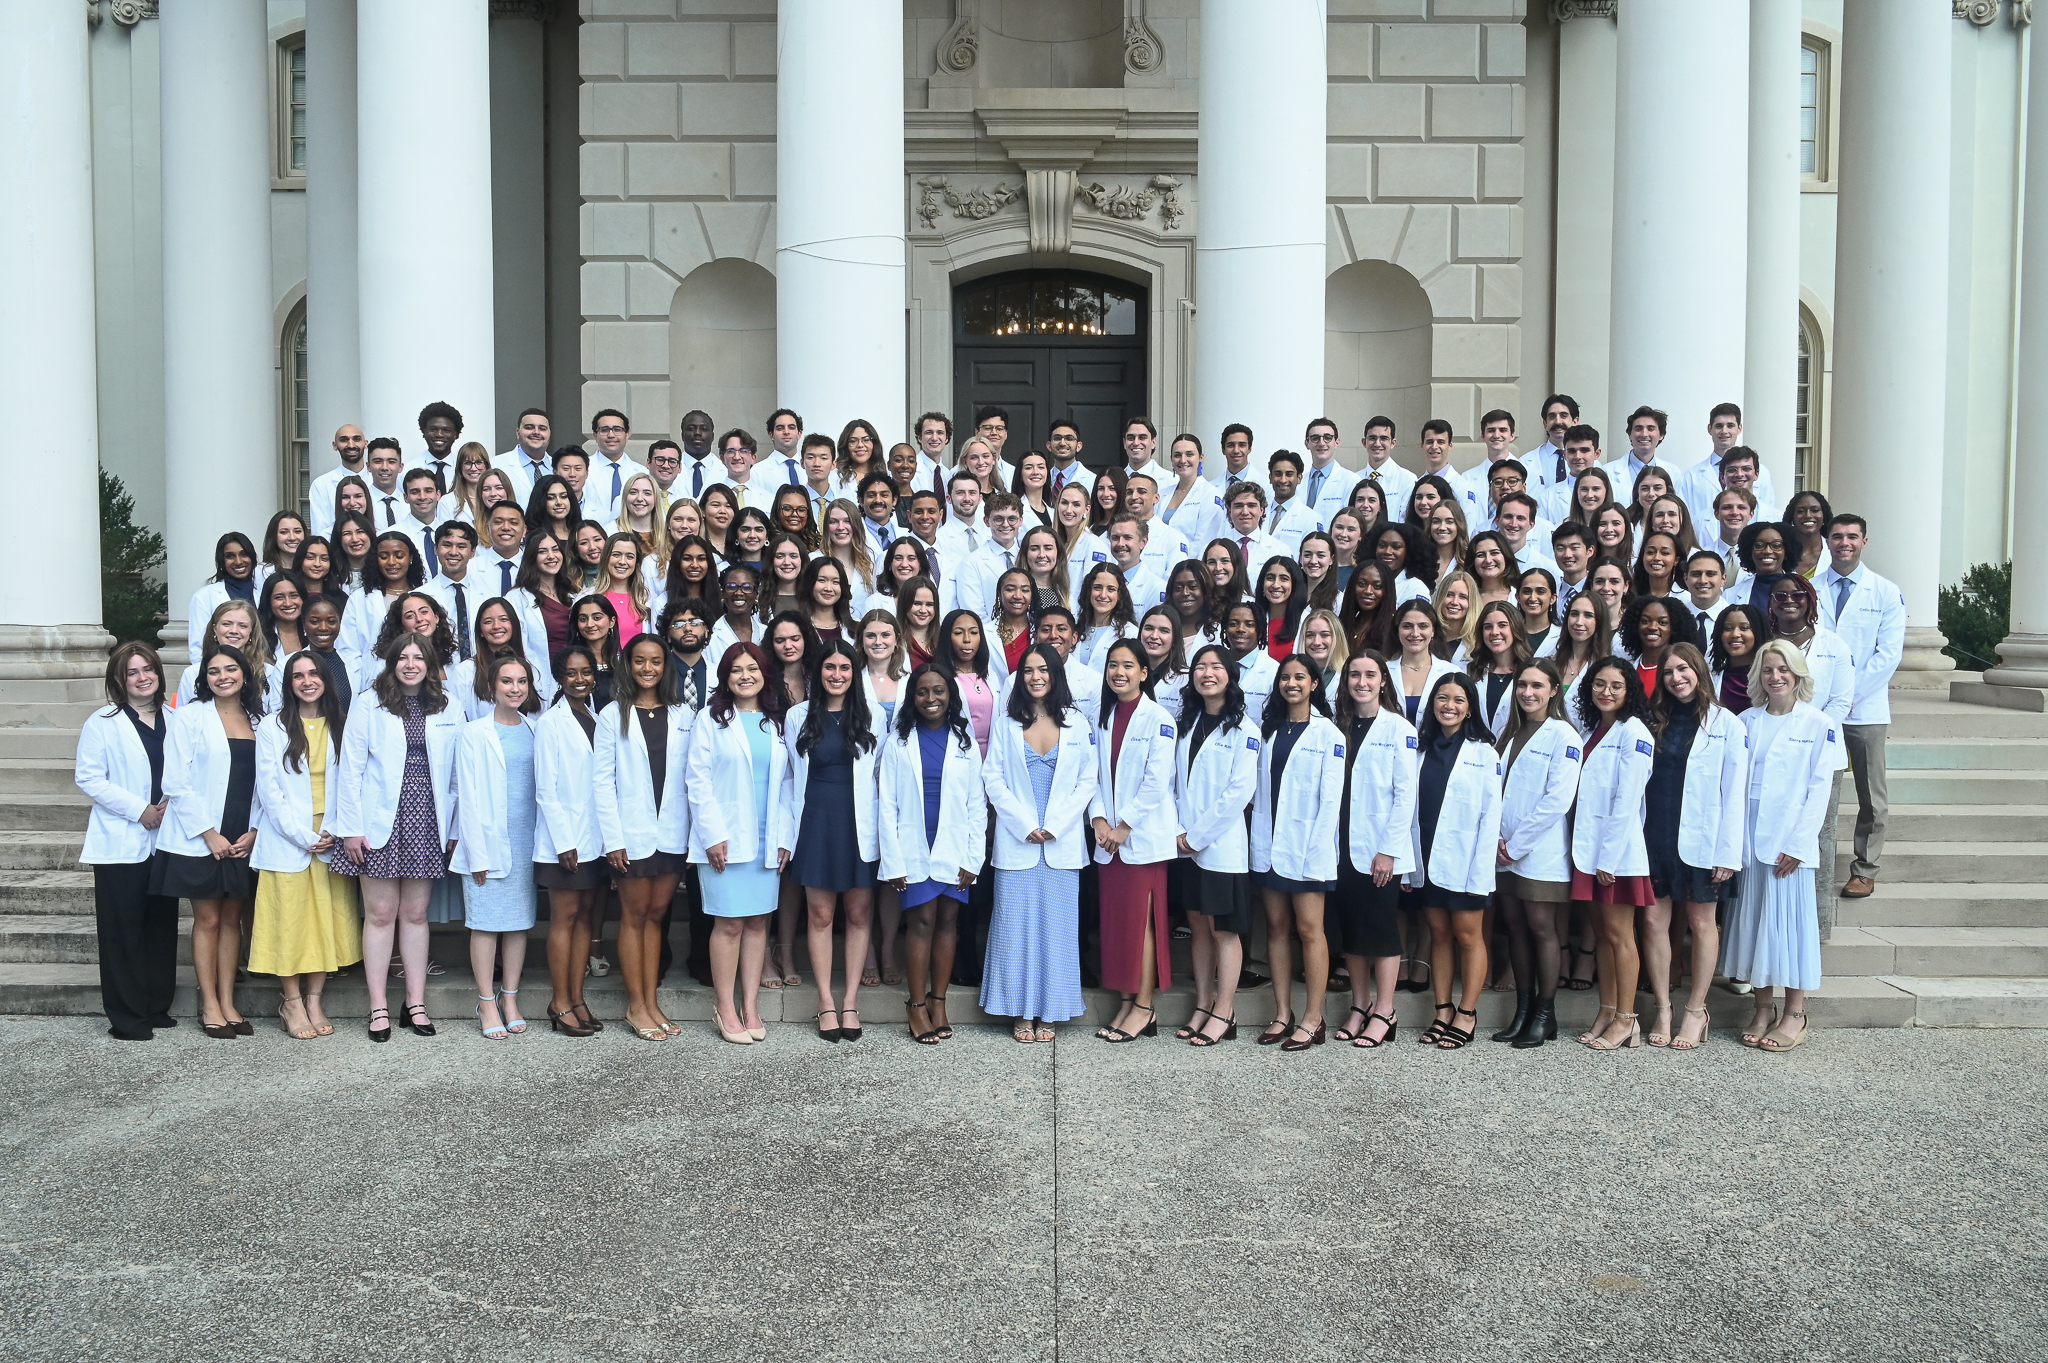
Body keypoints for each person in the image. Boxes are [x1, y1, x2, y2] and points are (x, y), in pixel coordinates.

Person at [331, 632, 464, 1041]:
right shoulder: (369, 703)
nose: (410, 664)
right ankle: (377, 1006)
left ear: (429, 664)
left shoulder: (449, 705)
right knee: (381, 914)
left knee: (416, 914)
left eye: (418, 657)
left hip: (427, 819)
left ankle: (416, 1003)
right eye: (402, 657)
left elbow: (458, 776)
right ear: (391, 663)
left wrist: (456, 829)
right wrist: (350, 829)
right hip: (377, 822)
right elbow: (349, 768)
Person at [1724, 640, 1844, 1053]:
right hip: (1749, 833)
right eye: (1768, 670)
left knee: (1788, 927)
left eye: (1784, 670)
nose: (1776, 677)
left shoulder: (1818, 723)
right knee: (1756, 923)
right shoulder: (1746, 720)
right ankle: (1762, 1008)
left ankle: (1794, 1012)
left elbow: (1819, 789)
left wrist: (1799, 843)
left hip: (1789, 839)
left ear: (1798, 675)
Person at [981, 643, 1094, 1040]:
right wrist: (1024, 823)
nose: (1036, 677)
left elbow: (1088, 780)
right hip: (1019, 841)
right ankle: (1020, 1010)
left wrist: (1057, 825)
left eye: (1043, 669)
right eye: (1028, 670)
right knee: (1014, 928)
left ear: (1056, 674)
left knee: (1057, 930)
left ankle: (1051, 1010)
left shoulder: (1078, 723)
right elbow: (992, 776)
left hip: (1060, 843)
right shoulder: (1006, 723)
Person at [249, 651, 361, 1040]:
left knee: (324, 922)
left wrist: (332, 830)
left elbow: (349, 783)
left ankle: (315, 998)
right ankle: (291, 1002)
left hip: (330, 837)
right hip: (289, 838)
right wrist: (304, 836)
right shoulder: (271, 727)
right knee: (290, 923)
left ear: (326, 680)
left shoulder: (342, 724)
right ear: (289, 684)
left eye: (314, 673)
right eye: (298, 675)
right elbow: (269, 791)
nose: (307, 680)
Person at [156, 644, 264, 1039]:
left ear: (244, 674)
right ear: (205, 677)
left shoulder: (259, 718)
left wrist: (255, 831)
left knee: (233, 919)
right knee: (209, 918)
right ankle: (209, 1003)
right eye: (214, 671)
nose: (223, 677)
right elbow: (175, 782)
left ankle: (228, 1000)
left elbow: (266, 783)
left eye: (231, 669)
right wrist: (209, 833)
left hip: (243, 833)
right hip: (202, 833)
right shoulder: (189, 717)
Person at [687, 641, 794, 1044]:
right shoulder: (710, 719)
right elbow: (696, 780)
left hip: (767, 839)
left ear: (765, 673)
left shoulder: (776, 721)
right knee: (729, 923)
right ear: (725, 678)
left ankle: (750, 1005)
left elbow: (787, 784)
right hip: (726, 840)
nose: (745, 675)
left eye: (752, 668)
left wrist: (785, 836)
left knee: (757, 922)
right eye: (736, 670)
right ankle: (725, 1007)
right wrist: (712, 834)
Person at [1642, 643, 1747, 1050]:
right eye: (1668, 673)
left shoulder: (1727, 724)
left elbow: (1733, 792)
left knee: (1703, 922)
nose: (1676, 678)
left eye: (1683, 669)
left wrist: (1727, 853)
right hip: (1655, 835)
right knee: (1653, 922)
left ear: (1699, 671)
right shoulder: (1653, 721)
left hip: (1703, 838)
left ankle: (1696, 1010)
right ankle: (1664, 1008)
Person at [590, 635, 695, 1041]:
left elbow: (692, 777)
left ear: (665, 667)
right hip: (630, 833)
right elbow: (602, 783)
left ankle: (652, 1002)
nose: (647, 668)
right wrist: (613, 840)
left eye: (655, 661)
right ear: (627, 666)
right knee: (634, 918)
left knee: (656, 918)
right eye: (639, 661)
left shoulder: (684, 713)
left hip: (671, 833)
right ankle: (635, 1006)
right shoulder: (611, 714)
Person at [76, 643, 178, 1041]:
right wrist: (140, 810)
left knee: (160, 925)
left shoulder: (174, 718)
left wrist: (167, 807)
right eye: (132, 672)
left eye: (148, 669)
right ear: (119, 680)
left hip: (166, 838)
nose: (142, 677)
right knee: (123, 931)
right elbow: (89, 778)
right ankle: (127, 1017)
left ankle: (156, 1006)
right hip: (122, 839)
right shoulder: (102, 722)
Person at [782, 639, 881, 1042]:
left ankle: (851, 1001)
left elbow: (881, 777)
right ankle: (825, 1001)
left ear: (853, 673)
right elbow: (790, 777)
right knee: (820, 915)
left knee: (858, 914)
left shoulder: (872, 716)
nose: (836, 675)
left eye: (844, 668)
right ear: (817, 672)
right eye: (829, 668)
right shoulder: (797, 716)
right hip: (816, 822)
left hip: (860, 822)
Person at [1249, 653, 1345, 1050]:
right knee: (1275, 928)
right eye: (1285, 678)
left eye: (1299, 677)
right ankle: (1282, 1012)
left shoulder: (1329, 736)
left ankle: (1313, 1017)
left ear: (1314, 684)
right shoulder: (1267, 730)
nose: (1291, 683)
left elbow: (1330, 802)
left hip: (1309, 851)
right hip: (1270, 844)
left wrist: (1316, 854)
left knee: (1309, 930)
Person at [1085, 639, 1180, 1044]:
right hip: (1109, 840)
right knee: (1119, 924)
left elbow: (1157, 782)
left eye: (1128, 665)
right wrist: (1099, 819)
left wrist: (1124, 826)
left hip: (1140, 840)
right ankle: (1127, 1001)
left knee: (1143, 923)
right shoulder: (1100, 715)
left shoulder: (1159, 718)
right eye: (1112, 665)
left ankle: (1144, 1006)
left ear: (1144, 672)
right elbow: (1090, 773)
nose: (1118, 672)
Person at [1404, 673, 1504, 1051]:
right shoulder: (1419, 749)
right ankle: (1442, 1009)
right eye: (1442, 698)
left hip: (1466, 862)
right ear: (1432, 704)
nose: (1449, 706)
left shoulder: (1483, 753)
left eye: (1459, 700)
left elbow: (1490, 816)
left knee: (1467, 935)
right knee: (1439, 935)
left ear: (1471, 708)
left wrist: (1480, 870)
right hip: (1426, 856)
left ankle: (1467, 1012)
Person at [1328, 651, 1418, 1050]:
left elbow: (1405, 796)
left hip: (1380, 849)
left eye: (1370, 675)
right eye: (1354, 675)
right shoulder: (1337, 726)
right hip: (1341, 845)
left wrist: (1389, 850)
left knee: (1380, 931)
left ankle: (1385, 1010)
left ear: (1384, 680)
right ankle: (1360, 1005)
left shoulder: (1399, 728)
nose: (1361, 682)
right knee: (1352, 930)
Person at [1488, 660, 1580, 1048]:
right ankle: (1522, 1011)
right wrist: (1497, 841)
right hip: (1502, 850)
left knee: (1542, 929)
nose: (1528, 692)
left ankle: (1545, 1014)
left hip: (1537, 851)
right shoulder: (1509, 734)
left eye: (1537, 686)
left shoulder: (1564, 735)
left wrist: (1516, 844)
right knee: (1516, 929)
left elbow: (1557, 799)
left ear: (1554, 690)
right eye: (1523, 685)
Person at [451, 656, 543, 1040]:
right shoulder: (474, 732)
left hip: (525, 842)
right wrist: (476, 852)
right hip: (486, 840)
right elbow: (468, 796)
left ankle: (510, 998)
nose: (515, 688)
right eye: (507, 681)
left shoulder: (535, 728)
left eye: (522, 681)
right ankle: (486, 1001)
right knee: (486, 924)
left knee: (519, 922)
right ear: (492, 687)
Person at [1569, 658, 1657, 1051]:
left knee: (1621, 936)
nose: (1606, 692)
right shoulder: (1593, 730)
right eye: (1599, 684)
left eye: (1616, 686)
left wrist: (1609, 859)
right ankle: (1606, 1010)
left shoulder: (1634, 732)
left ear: (1630, 691)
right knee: (1603, 936)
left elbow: (1627, 800)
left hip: (1615, 856)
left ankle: (1627, 1020)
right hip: (1590, 849)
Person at [1817, 514, 1905, 900]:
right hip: (1818, 707)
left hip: (1865, 709)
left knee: (1871, 795)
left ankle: (1865, 869)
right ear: (1827, 541)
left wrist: (1848, 696)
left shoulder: (1885, 592)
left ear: (1864, 541)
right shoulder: (1809, 588)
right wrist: (1828, 699)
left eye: (1852, 536)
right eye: (1837, 536)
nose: (1844, 543)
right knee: (1815, 787)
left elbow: (1888, 655)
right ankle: (1813, 863)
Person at [530, 644, 608, 1037]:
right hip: (565, 840)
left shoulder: (594, 716)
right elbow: (545, 789)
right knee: (564, 919)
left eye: (587, 672)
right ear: (560, 678)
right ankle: (559, 1002)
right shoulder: (551, 722)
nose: (580, 679)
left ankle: (577, 999)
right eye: (572, 673)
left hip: (594, 838)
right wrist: (564, 842)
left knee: (584, 921)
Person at [184, 532, 262, 671]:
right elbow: (197, 647)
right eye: (230, 556)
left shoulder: (264, 591)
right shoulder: (204, 596)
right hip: (220, 673)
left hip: (258, 669)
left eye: (243, 554)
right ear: (222, 561)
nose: (238, 561)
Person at [1466, 599, 1534, 737]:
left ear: (1516, 629)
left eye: (1502, 625)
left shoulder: (1532, 673)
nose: (1494, 632)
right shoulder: (1470, 671)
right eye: (1488, 627)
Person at [1390, 599, 1457, 725]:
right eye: (1407, 626)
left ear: (1433, 631)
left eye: (1423, 626)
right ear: (1397, 630)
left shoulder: (1451, 673)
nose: (1415, 633)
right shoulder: (1383, 671)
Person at [309, 424, 369, 537]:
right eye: (344, 440)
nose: (351, 445)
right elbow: (320, 532)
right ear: (335, 445)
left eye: (356, 439)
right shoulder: (322, 484)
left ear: (366, 443)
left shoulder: (380, 480)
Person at [1711, 604, 1766, 714]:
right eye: (1728, 628)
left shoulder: (1771, 676)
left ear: (1758, 632)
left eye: (1744, 628)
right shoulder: (1711, 679)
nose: (1735, 634)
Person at [1340, 561, 1396, 657]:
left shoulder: (1392, 630)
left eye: (1377, 586)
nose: (1368, 591)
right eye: (1362, 584)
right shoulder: (1342, 624)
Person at [258, 570, 309, 661]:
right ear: (268, 602)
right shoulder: (257, 636)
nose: (288, 603)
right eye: (279, 597)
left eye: (294, 596)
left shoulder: (315, 631)